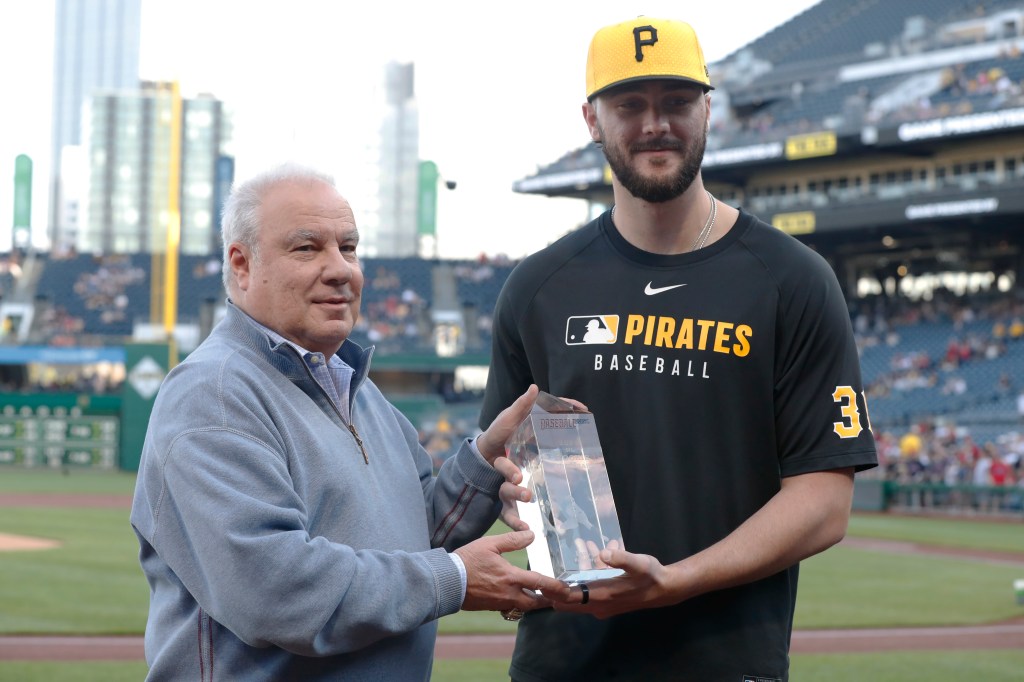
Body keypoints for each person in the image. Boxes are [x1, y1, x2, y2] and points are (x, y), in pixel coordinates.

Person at [480, 17, 879, 681]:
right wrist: (524, 499)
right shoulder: (538, 287)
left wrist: (677, 579)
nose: (654, 124)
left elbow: (824, 500)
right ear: (592, 118)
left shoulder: (792, 280)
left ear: (708, 110)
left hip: (726, 658)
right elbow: (511, 466)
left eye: (676, 102)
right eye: (629, 104)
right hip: (566, 658)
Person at [129, 163, 572, 681]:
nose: (341, 269)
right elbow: (277, 593)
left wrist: (481, 466)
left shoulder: (362, 394)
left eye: (349, 247)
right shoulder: (215, 392)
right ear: (242, 264)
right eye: (307, 248)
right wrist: (453, 578)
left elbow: (411, 541)